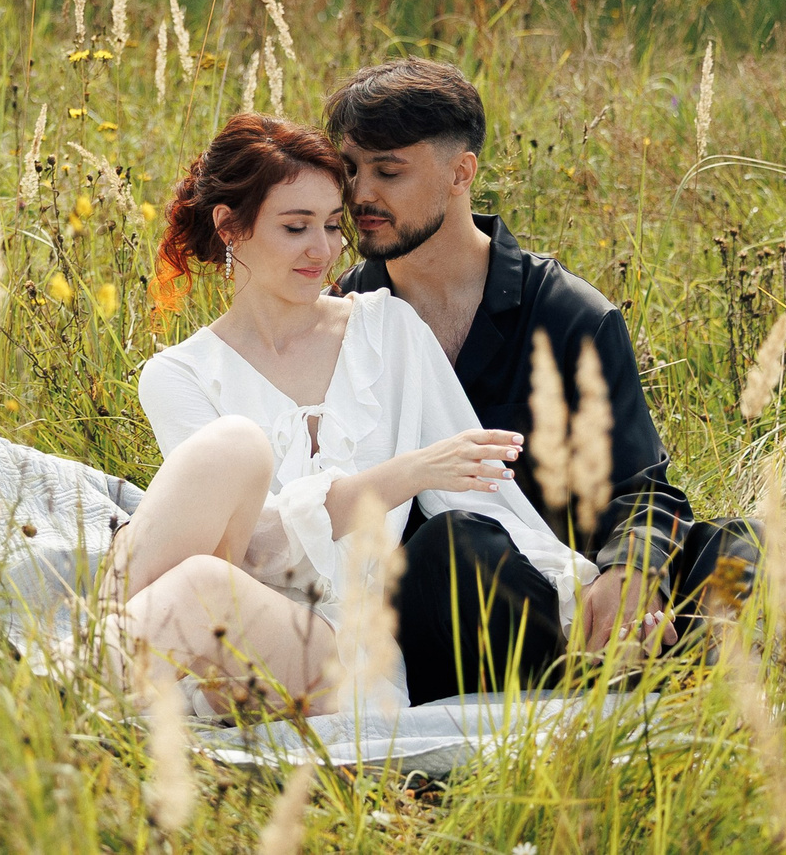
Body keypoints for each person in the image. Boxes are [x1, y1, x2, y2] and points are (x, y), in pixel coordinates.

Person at [108, 114, 596, 713]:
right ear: (231, 229)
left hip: (350, 655)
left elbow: (486, 499)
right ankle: (77, 670)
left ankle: (61, 677)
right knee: (231, 458)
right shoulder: (179, 374)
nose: (324, 249)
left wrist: (591, 598)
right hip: (231, 623)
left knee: (203, 584)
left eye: (334, 225)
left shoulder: (387, 330)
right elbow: (256, 550)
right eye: (296, 227)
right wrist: (405, 474)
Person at [325, 57, 759, 704]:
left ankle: (662, 681)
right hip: (452, 606)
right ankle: (596, 701)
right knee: (457, 540)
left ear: (460, 173)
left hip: (582, 591)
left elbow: (644, 489)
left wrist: (630, 573)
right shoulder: (340, 318)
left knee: (738, 545)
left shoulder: (568, 313)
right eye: (350, 170)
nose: (360, 194)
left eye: (387, 171)